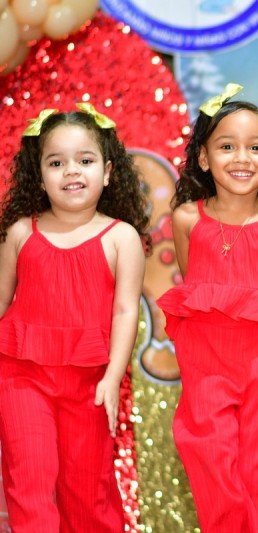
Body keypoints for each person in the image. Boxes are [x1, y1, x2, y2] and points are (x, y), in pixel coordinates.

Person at [156, 84, 258, 531]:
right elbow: (195, 285)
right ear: (203, 157)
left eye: (256, 148)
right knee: (209, 454)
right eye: (226, 147)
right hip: (204, 363)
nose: (242, 158)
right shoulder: (186, 218)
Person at [0, 104, 149, 532]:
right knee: (29, 481)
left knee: (88, 492)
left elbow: (126, 311)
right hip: (22, 376)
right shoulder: (21, 232)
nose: (71, 171)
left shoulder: (121, 237)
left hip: (91, 384)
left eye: (85, 160)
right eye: (56, 163)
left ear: (107, 172)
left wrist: (112, 378)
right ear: (38, 176)